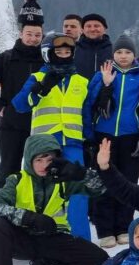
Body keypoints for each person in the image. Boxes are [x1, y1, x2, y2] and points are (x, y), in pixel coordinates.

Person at [0, 134, 109, 265]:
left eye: (49, 159)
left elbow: (101, 188)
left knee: (100, 261)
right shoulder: (17, 180)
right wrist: (28, 218)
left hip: (52, 238)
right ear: (29, 160)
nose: (44, 165)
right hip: (22, 239)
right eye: (38, 159)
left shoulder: (64, 180)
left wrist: (81, 173)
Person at [12, 32, 93, 241]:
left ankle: (80, 241)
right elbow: (19, 105)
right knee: (42, 191)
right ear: (48, 54)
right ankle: (37, 236)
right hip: (45, 146)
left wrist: (90, 140)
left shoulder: (80, 81)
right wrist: (39, 89)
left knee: (77, 192)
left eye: (68, 52)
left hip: (73, 143)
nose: (64, 55)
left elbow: (85, 114)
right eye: (59, 52)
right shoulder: (37, 78)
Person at [86, 34, 139, 248]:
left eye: (127, 52)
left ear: (134, 54)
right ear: (113, 54)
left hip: (130, 135)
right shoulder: (103, 73)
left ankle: (124, 227)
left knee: (127, 181)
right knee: (103, 181)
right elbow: (90, 103)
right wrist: (106, 83)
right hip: (103, 135)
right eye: (119, 52)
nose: (123, 56)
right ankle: (105, 229)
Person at [0, 0, 45, 189]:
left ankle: (35, 208)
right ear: (21, 34)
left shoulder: (48, 61)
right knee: (9, 170)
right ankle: (3, 209)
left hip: (41, 125)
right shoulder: (5, 59)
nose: (33, 39)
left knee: (41, 171)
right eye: (29, 34)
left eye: (37, 35)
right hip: (11, 126)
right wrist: (0, 108)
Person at [74, 13, 113, 79]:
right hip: (79, 89)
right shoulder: (73, 50)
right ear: (82, 30)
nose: (92, 29)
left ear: (104, 29)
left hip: (105, 88)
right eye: (88, 26)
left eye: (96, 26)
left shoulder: (113, 50)